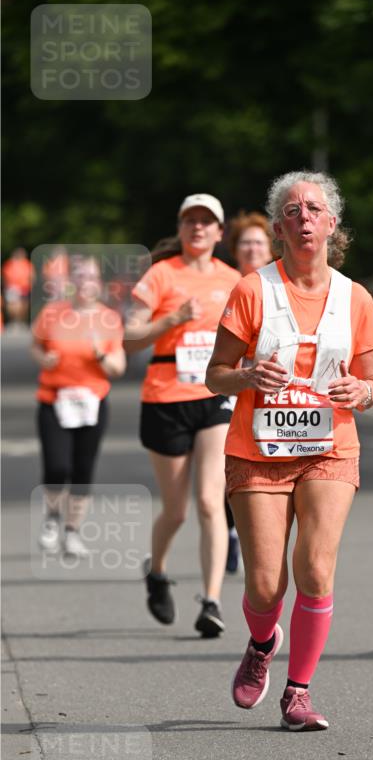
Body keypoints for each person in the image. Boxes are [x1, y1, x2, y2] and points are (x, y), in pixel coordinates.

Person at [207, 170, 373, 731]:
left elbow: (371, 385)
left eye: (313, 208)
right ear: (279, 228)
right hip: (257, 451)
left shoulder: (356, 298)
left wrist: (361, 391)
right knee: (265, 584)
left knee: (315, 568)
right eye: (291, 210)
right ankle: (262, 643)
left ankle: (299, 692)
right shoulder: (252, 290)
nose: (303, 217)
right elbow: (215, 376)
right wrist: (247, 376)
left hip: (329, 448)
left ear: (332, 224)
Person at [124, 194, 241, 638]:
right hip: (164, 398)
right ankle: (156, 572)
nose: (198, 228)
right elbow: (129, 338)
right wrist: (171, 318)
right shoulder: (160, 275)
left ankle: (211, 601)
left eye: (206, 222)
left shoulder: (233, 280)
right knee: (175, 510)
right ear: (181, 227)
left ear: (218, 231)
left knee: (212, 500)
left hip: (213, 398)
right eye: (190, 221)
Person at [31, 255, 126, 557]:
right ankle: (52, 519)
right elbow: (36, 344)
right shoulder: (52, 313)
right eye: (80, 276)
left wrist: (100, 354)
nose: (85, 282)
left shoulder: (108, 318)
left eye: (91, 277)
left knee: (83, 469)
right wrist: (43, 359)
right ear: (71, 282)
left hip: (92, 402)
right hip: (54, 398)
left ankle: (72, 532)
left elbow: (118, 367)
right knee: (57, 466)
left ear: (99, 283)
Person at [223, 211, 274, 573]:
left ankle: (243, 531)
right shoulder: (225, 285)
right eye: (246, 243)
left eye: (259, 242)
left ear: (270, 248)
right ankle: (230, 528)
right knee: (223, 466)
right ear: (235, 250)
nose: (253, 248)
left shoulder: (282, 287)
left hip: (270, 396)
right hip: (225, 387)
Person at [3, 247, 34, 326]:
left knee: (24, 306)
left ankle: (21, 321)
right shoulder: (9, 264)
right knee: (14, 305)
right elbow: (5, 276)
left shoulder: (27, 264)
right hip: (13, 287)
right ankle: (14, 321)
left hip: (25, 287)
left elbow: (32, 275)